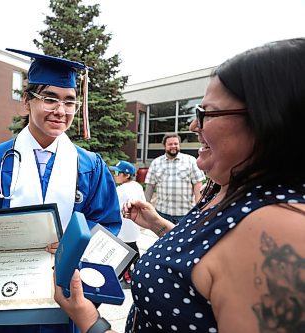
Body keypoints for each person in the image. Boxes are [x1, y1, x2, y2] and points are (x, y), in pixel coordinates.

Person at [54, 38, 305, 333]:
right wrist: (158, 225)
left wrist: (90, 321)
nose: (192, 126)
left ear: (266, 121)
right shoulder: (228, 187)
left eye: (207, 113)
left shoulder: (275, 231)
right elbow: (206, 258)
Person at [0, 48, 122, 333]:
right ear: (27, 101)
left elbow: (108, 225)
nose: (61, 111)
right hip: (7, 297)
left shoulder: (90, 166)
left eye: (69, 102)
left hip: (65, 296)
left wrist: (76, 245)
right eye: (50, 99)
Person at [144, 133, 205, 224]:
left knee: (184, 238)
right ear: (164, 146)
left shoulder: (190, 160)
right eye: (170, 144)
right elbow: (150, 187)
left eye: (176, 144)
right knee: (163, 238)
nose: (173, 146)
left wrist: (199, 207)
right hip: (162, 213)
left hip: (185, 213)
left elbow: (197, 185)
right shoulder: (156, 163)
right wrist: (146, 207)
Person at [110, 160, 145, 285]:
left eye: (117, 172)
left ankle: (127, 276)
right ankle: (137, 272)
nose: (115, 175)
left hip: (123, 228)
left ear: (127, 175)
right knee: (133, 249)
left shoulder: (121, 190)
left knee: (125, 253)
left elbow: (113, 207)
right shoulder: (137, 186)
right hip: (133, 227)